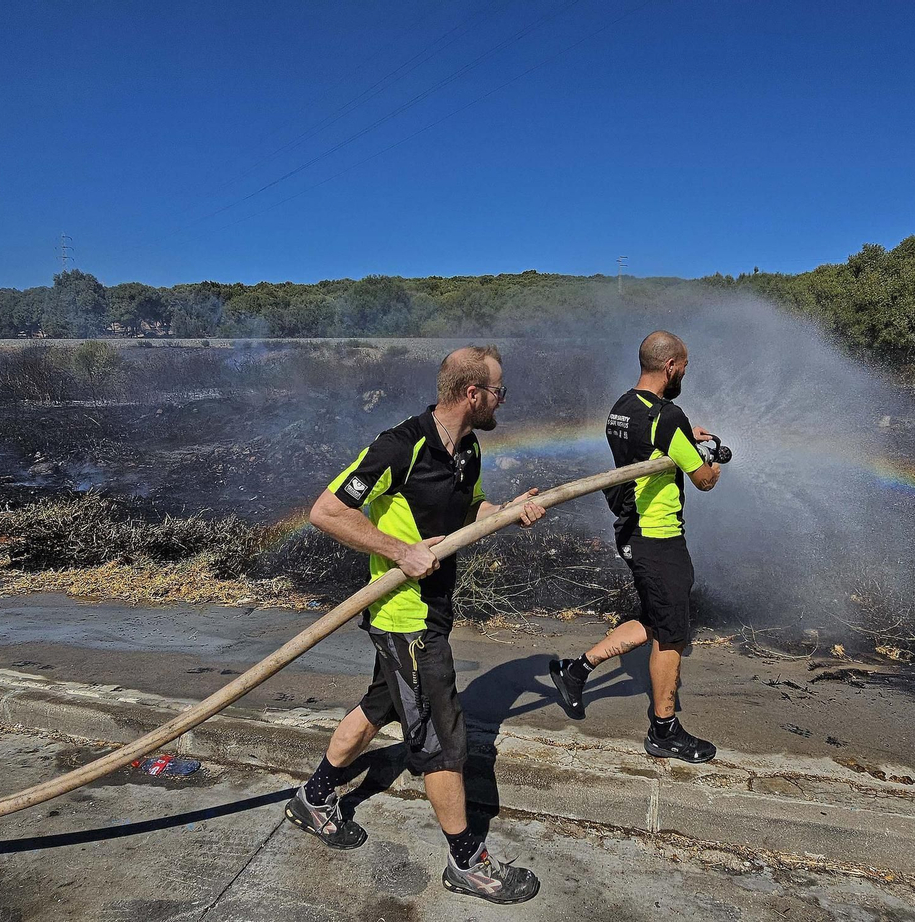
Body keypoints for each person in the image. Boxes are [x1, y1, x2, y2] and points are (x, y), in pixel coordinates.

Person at [284, 345, 547, 905]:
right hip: (406, 620)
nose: (504, 399)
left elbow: (470, 509)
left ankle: (314, 797)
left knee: (380, 705)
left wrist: (505, 512)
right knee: (442, 739)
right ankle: (466, 861)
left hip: (434, 610)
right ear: (472, 393)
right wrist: (399, 550)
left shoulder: (468, 448)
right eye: (499, 391)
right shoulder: (398, 447)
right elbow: (326, 511)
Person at [548, 330, 722, 762]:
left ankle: (576, 670)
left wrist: (685, 438)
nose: (684, 372)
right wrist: (713, 458)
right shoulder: (669, 417)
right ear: (671, 367)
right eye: (683, 366)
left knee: (654, 618)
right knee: (672, 635)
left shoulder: (620, 408)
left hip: (629, 529)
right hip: (658, 536)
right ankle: (664, 731)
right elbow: (702, 480)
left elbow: (649, 441)